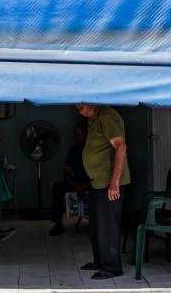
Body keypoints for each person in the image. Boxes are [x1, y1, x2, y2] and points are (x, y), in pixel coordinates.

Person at [75, 103, 131, 280]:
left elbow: (120, 146)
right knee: (96, 225)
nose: (77, 105)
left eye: (80, 101)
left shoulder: (106, 116)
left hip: (110, 183)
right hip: (98, 182)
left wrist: (114, 182)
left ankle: (112, 267)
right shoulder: (93, 120)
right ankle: (100, 261)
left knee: (108, 226)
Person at [48, 123, 91, 236]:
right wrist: (76, 185)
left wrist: (85, 186)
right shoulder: (73, 151)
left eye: (80, 134)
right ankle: (58, 225)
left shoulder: (93, 151)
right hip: (76, 183)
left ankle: (94, 224)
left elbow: (99, 175)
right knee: (57, 187)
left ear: (87, 135)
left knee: (100, 189)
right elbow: (66, 173)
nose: (77, 137)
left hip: (91, 183)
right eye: (75, 134)